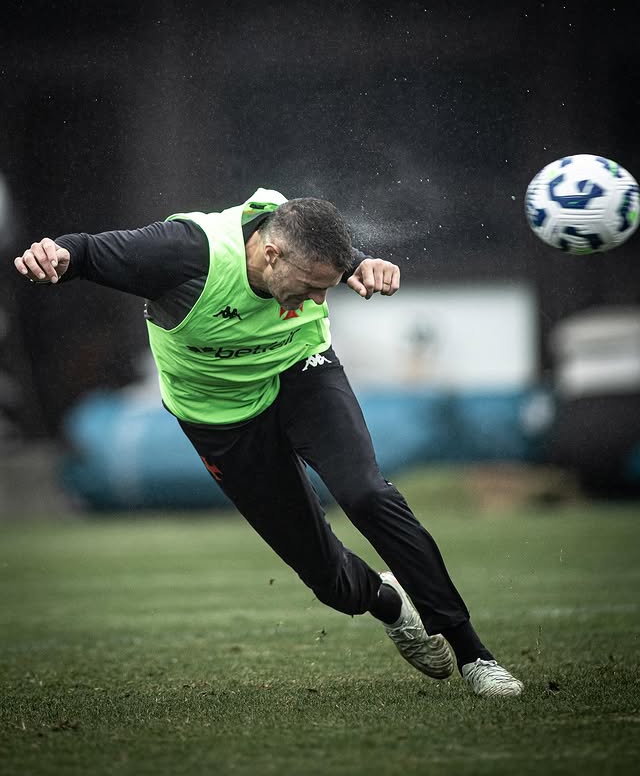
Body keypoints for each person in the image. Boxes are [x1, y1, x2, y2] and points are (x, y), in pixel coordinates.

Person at [14, 187, 523, 697]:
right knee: (328, 579)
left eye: (327, 288)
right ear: (271, 255)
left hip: (302, 371)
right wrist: (53, 255)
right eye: (311, 288)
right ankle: (387, 602)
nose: (318, 300)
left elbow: (326, 250)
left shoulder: (296, 236)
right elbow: (85, 252)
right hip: (220, 415)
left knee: (369, 494)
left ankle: (474, 655)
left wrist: (363, 264)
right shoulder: (182, 253)